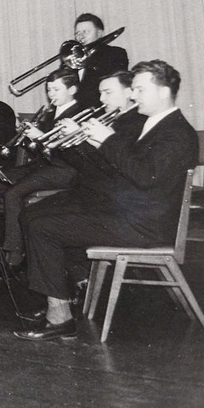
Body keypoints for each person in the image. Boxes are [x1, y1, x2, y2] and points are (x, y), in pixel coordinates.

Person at [14, 60, 198, 341]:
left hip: (145, 225)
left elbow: (145, 176)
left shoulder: (175, 132)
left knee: (43, 226)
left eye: (139, 89)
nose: (133, 95)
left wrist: (108, 140)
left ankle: (59, 315)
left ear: (163, 92)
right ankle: (63, 297)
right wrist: (97, 144)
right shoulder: (157, 124)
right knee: (38, 217)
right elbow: (128, 169)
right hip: (132, 214)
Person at [0, 68, 83, 267]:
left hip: (64, 170)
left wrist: (39, 136)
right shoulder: (49, 112)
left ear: (73, 89)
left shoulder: (77, 114)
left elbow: (64, 152)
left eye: (56, 90)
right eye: (49, 90)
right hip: (41, 166)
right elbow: (37, 149)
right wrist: (24, 135)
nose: (51, 95)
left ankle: (14, 255)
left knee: (13, 194)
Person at [73, 13, 129, 109]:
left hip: (101, 109)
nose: (80, 37)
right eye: (77, 33)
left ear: (99, 33)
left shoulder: (115, 53)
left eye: (85, 32)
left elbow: (112, 85)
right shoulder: (72, 58)